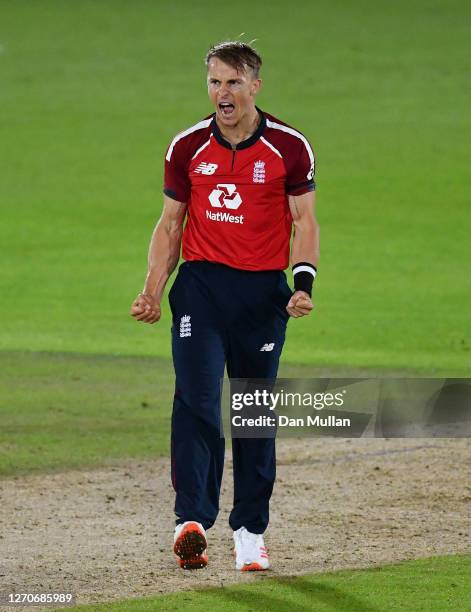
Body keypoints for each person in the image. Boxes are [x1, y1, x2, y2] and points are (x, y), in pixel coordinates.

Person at [130, 41, 320, 571]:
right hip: (201, 288)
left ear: (254, 85)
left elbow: (304, 221)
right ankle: (190, 521)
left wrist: (303, 284)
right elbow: (170, 225)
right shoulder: (187, 146)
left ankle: (250, 533)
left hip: (262, 292)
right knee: (195, 399)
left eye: (233, 83)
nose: (223, 93)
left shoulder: (289, 147)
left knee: (253, 410)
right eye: (215, 82)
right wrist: (151, 288)